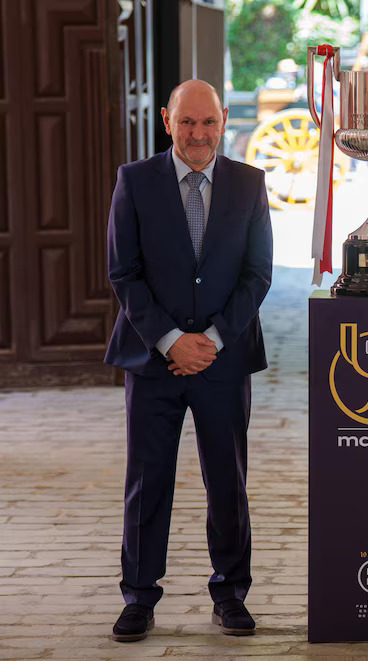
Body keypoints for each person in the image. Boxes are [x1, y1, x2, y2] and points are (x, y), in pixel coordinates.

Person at [105, 79, 273, 642]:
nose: (198, 134)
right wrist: (171, 339)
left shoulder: (249, 183)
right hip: (152, 359)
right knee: (148, 481)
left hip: (224, 359)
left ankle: (230, 593)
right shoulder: (135, 181)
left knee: (227, 481)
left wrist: (213, 341)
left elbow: (258, 274)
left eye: (208, 122)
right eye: (186, 122)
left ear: (223, 120)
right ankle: (139, 597)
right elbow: (123, 272)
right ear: (166, 120)